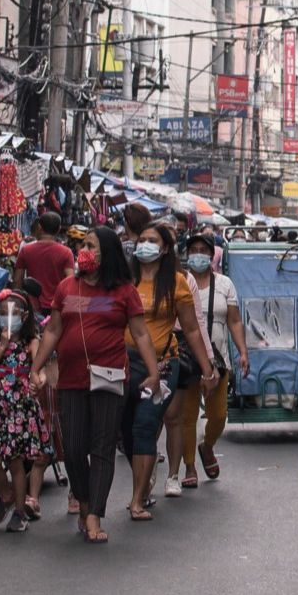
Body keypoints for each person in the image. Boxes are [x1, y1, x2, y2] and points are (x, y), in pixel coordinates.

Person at [40, 227, 160, 543]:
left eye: (91, 246)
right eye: (83, 245)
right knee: (73, 448)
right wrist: (36, 367)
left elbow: (141, 333)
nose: (84, 251)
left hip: (110, 377)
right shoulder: (66, 287)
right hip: (70, 379)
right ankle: (83, 499)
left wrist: (153, 372)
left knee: (103, 446)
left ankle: (94, 514)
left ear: (107, 253)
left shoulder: (124, 291)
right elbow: (53, 330)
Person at [127, 221, 214, 518]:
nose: (145, 245)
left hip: (164, 363)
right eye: (142, 239)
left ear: (165, 249)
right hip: (125, 364)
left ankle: (138, 498)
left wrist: (207, 369)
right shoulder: (125, 280)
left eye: (152, 240)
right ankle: (143, 484)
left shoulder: (177, 282)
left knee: (146, 425)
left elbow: (192, 329)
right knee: (127, 432)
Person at [0, 288, 57, 530]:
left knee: (16, 462)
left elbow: (40, 370)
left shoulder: (31, 342)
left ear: (24, 316)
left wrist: (38, 381)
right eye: (3, 313)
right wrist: (2, 346)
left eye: (13, 314)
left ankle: (20, 513)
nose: (8, 318)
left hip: (20, 409)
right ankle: (6, 494)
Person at [173, 234, 247, 485]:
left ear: (211, 254)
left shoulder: (225, 284)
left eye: (203, 250)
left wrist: (243, 352)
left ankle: (207, 446)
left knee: (218, 415)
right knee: (187, 416)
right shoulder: (179, 282)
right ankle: (189, 467)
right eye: (193, 249)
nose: (198, 254)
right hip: (186, 357)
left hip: (218, 359)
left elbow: (234, 321)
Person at [17, 212, 76, 317]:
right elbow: (71, 282)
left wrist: (18, 304)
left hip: (33, 308)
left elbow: (17, 280)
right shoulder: (66, 252)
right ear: (58, 229)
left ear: (39, 227)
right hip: (57, 308)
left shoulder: (26, 250)